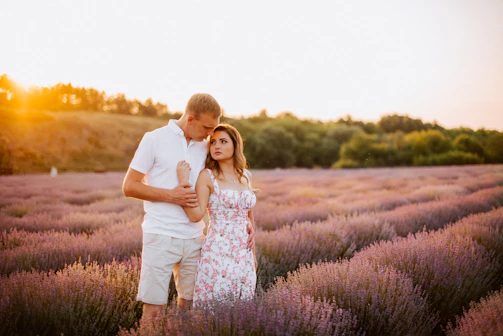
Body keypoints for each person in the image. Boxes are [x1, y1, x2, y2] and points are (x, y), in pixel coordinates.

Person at [122, 93, 231, 322]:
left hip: (194, 238)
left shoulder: (205, 147)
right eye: (207, 127)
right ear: (190, 119)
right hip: (160, 235)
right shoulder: (154, 139)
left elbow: (225, 179)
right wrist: (172, 196)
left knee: (190, 309)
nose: (211, 134)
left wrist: (244, 222)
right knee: (154, 310)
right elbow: (129, 186)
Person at [176, 123, 257, 305]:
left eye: (223, 141)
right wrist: (183, 183)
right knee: (215, 306)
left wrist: (253, 253)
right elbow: (196, 215)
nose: (217, 146)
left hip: (243, 254)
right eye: (213, 142)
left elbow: (248, 215)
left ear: (235, 146)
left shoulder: (245, 175)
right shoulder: (207, 176)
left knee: (242, 306)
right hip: (218, 251)